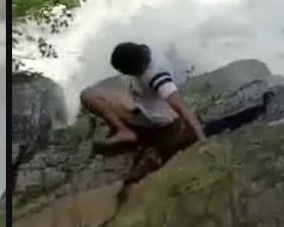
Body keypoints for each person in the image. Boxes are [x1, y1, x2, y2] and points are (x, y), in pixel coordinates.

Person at [80, 42, 205, 181]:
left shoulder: (158, 77)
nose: (122, 73)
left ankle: (127, 132)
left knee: (90, 97)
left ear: (135, 68)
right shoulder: (146, 51)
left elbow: (181, 109)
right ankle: (122, 128)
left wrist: (203, 142)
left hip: (154, 120)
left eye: (124, 71)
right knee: (90, 94)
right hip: (142, 104)